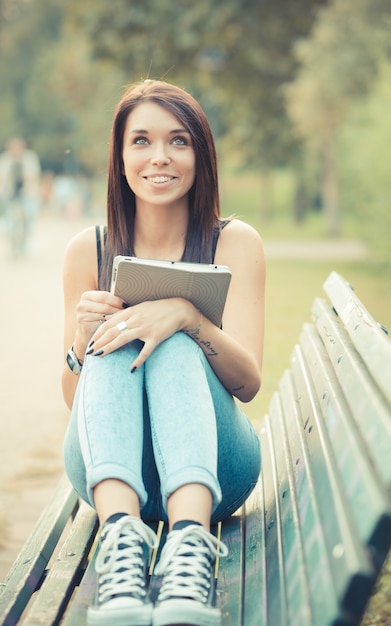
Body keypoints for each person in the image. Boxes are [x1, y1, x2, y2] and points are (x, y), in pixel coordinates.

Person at [62, 79, 265, 626]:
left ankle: (190, 549)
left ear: (200, 155)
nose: (159, 158)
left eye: (178, 141)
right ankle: (123, 555)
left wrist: (188, 316)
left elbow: (248, 382)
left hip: (217, 467)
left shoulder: (234, 241)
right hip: (110, 469)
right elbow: (73, 401)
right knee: (119, 332)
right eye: (141, 141)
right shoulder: (90, 249)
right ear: (120, 156)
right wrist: (86, 338)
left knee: (171, 340)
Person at [0, 137, 41, 257]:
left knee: (28, 217)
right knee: (12, 220)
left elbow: (34, 176)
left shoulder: (30, 158)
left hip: (27, 193)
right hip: (11, 194)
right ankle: (14, 246)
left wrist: (29, 188)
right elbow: (2, 178)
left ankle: (24, 244)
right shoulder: (5, 159)